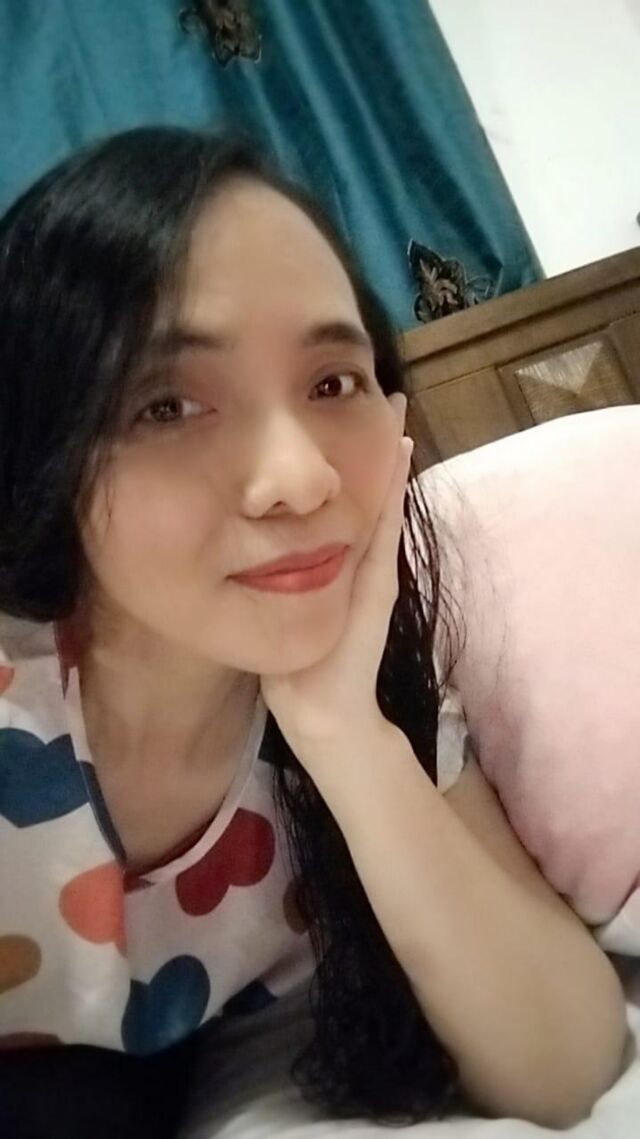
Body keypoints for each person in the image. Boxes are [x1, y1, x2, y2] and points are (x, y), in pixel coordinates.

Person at [0, 127, 627, 1138]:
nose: (300, 478)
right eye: (167, 404)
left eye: (333, 382)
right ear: (45, 444)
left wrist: (344, 736)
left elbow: (566, 1064)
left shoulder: (371, 691)